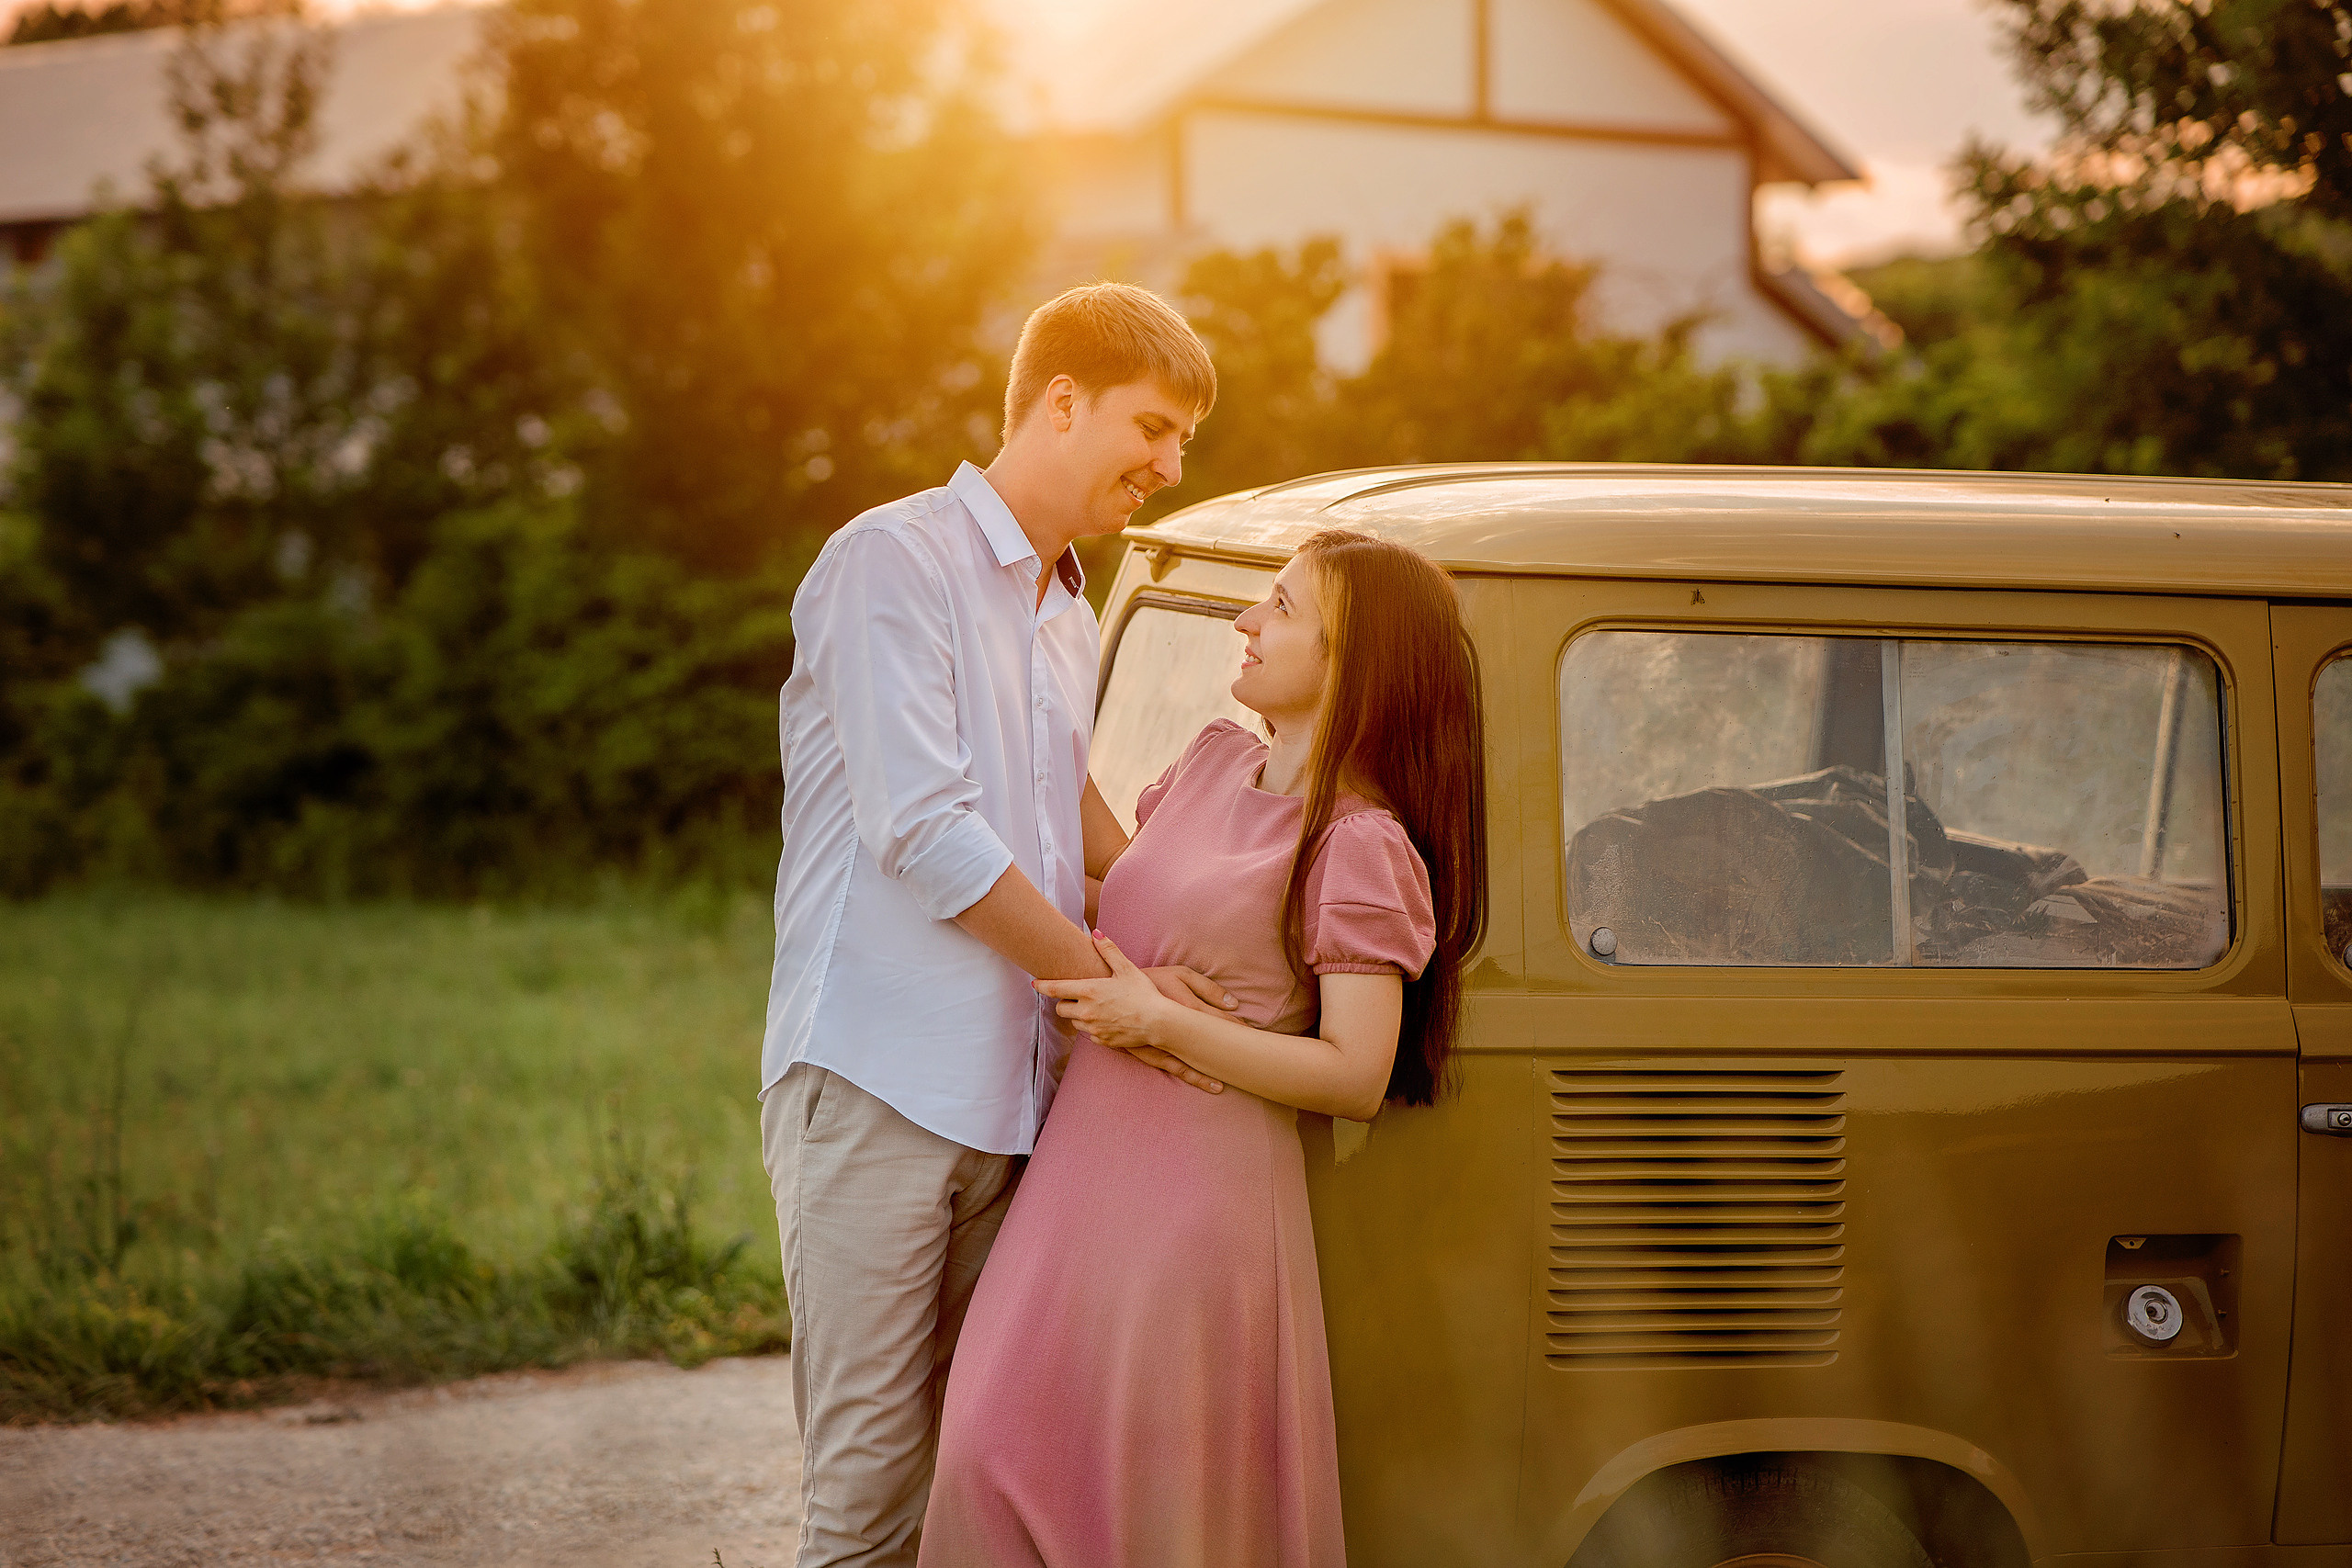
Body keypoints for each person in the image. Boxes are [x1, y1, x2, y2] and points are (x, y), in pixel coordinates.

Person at [761, 283, 1229, 1568]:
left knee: (986, 1479)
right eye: (1154, 425)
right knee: (867, 1502)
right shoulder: (888, 561)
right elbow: (927, 828)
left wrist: (1184, 919)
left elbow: (1059, 800)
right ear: (1060, 402)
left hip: (1014, 1098)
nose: (1170, 463)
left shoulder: (1072, 613)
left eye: (1183, 438)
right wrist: (1109, 989)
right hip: (876, 1078)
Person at [919, 530, 1490, 1567]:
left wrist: (1160, 1022)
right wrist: (1093, 966)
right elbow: (1130, 909)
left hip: (1197, 1210)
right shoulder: (1210, 760)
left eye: (1279, 607)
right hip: (1080, 1174)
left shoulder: (1360, 844)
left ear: (1352, 657)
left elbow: (1355, 1075)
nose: (1244, 621)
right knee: (984, 1453)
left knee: (1152, 1508)